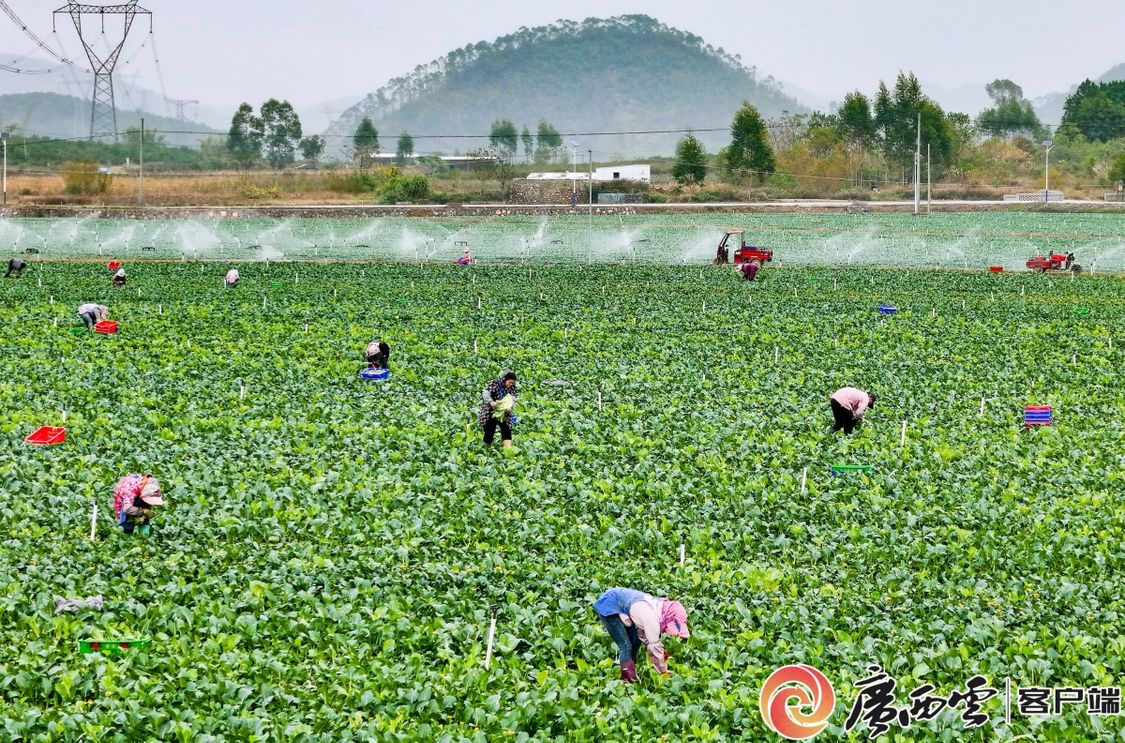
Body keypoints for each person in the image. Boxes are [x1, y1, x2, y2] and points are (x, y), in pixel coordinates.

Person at [593, 587, 690, 683]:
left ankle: (632, 669)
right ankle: (627, 681)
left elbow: (644, 635)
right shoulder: (650, 616)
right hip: (610, 604)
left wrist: (660, 653)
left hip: (626, 606)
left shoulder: (657, 608)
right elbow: (653, 645)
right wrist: (663, 673)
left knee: (635, 641)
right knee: (626, 646)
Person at [478, 370, 517, 448]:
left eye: (513, 383)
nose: (511, 384)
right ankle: (487, 448)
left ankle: (508, 450)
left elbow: (513, 399)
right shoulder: (495, 383)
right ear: (505, 379)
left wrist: (509, 407)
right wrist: (491, 402)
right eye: (510, 382)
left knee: (506, 429)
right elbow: (486, 393)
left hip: (504, 411)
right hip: (491, 410)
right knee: (490, 430)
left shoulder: (512, 387)